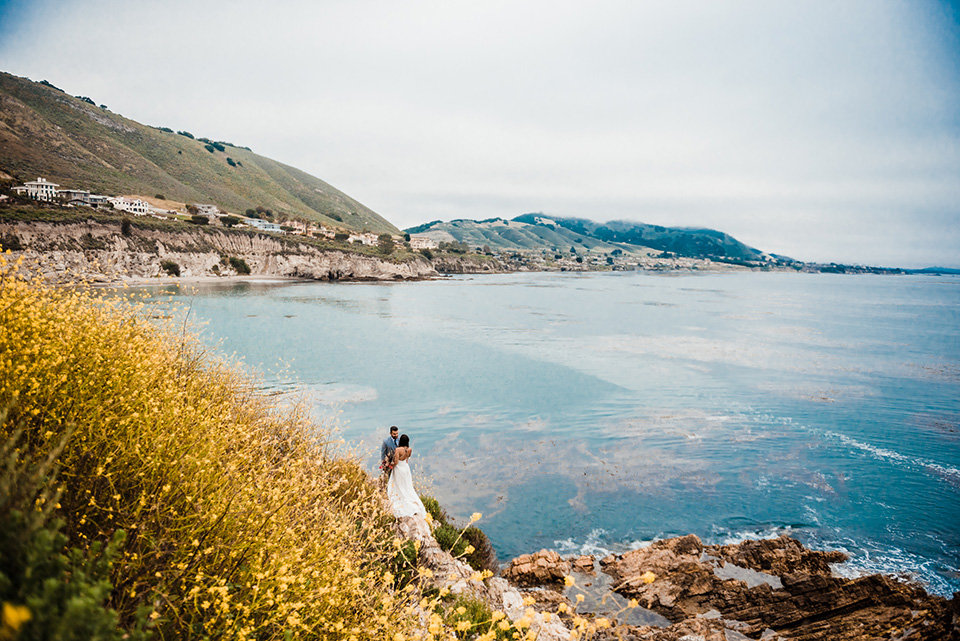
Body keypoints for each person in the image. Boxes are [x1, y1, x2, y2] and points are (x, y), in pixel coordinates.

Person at [387, 434, 427, 518]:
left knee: (398, 484)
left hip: (399, 469)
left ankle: (401, 498)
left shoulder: (398, 449)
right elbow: (407, 460)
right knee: (407, 486)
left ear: (400, 441)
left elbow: (396, 462)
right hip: (406, 468)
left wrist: (389, 464)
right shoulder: (410, 450)